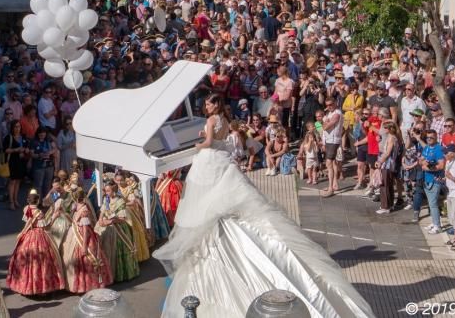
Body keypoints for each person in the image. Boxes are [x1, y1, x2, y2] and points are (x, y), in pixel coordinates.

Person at [153, 93, 374, 318]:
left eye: (208, 103)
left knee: (205, 197)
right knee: (225, 196)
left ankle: (214, 228)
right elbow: (223, 141)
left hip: (210, 158)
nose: (205, 106)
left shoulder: (211, 120)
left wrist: (199, 144)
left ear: (214, 104)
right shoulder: (226, 121)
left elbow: (210, 142)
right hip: (221, 160)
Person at [5, 190, 66, 295]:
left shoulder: (26, 209)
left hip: (29, 235)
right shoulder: (39, 213)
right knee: (42, 261)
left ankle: (24, 286)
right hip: (39, 235)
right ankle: (40, 289)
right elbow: (46, 226)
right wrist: (54, 217)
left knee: (26, 260)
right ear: (37, 201)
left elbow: (28, 222)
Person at [62, 187, 113, 293]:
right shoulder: (78, 206)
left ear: (74, 198)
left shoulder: (84, 211)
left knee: (86, 261)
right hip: (76, 235)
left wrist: (84, 245)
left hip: (84, 238)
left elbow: (85, 230)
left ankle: (90, 284)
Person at [96, 180, 139, 283]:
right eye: (106, 191)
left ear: (114, 191)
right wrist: (100, 220)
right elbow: (102, 211)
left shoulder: (120, 201)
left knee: (116, 251)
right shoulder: (106, 199)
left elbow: (122, 219)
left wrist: (109, 222)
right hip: (106, 227)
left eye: (108, 191)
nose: (106, 193)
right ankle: (106, 274)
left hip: (118, 229)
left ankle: (117, 274)